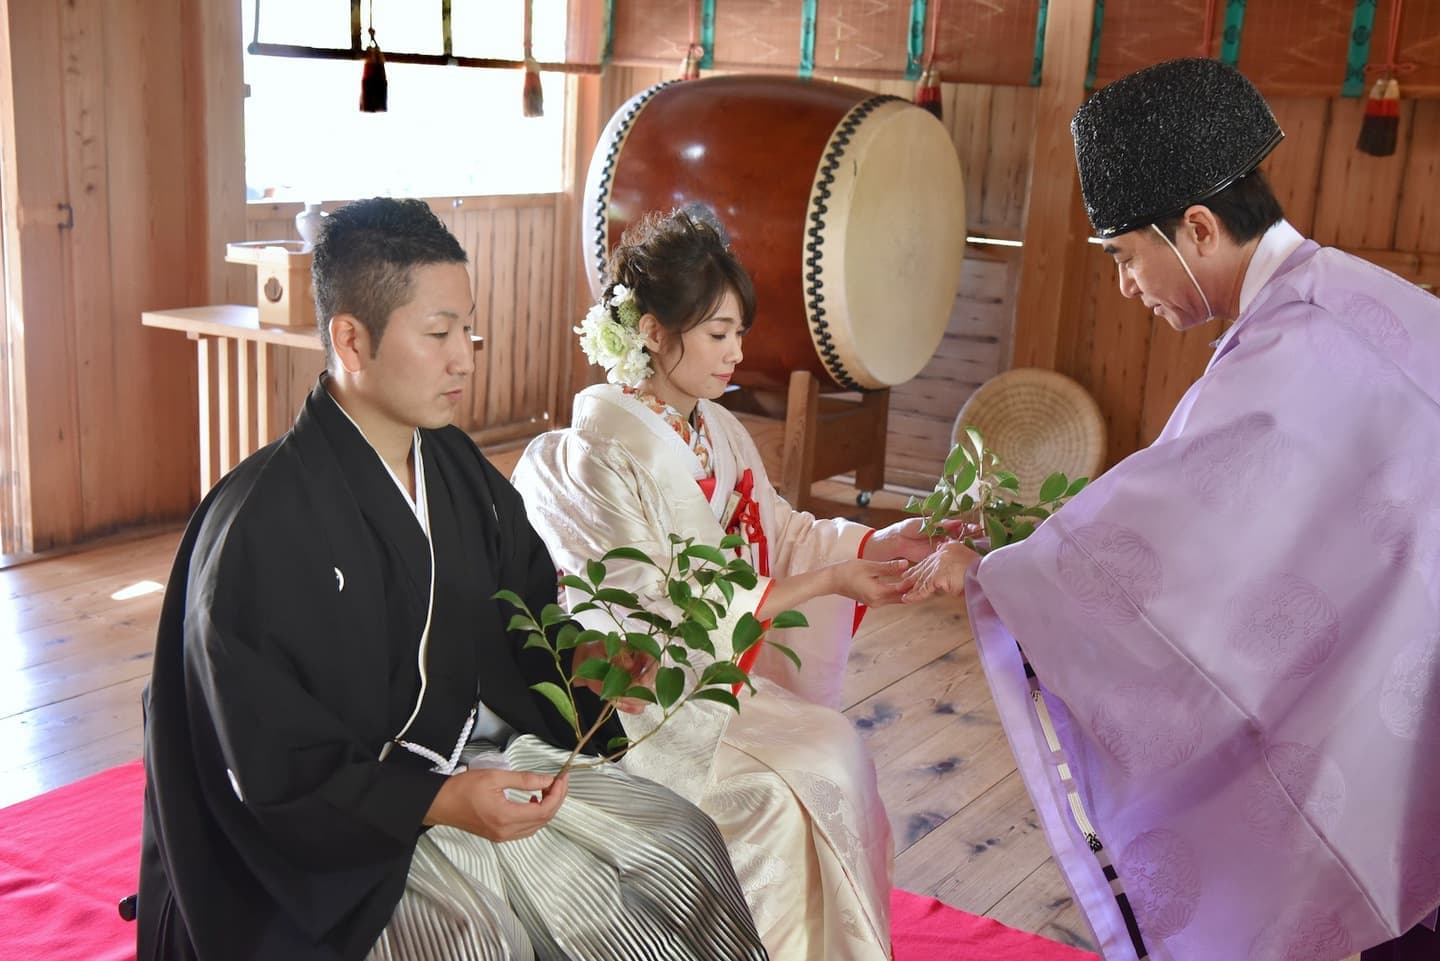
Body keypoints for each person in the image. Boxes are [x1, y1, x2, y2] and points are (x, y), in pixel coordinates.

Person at [901, 58, 1440, 961]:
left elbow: (1176, 539)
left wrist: (994, 575)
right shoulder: (1348, 294)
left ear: (1194, 228)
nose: (1125, 285)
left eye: (1122, 254)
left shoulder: (1290, 350)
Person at [136, 197, 767, 961]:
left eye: (466, 329)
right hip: (331, 845)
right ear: (351, 340)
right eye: (438, 333)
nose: (465, 355)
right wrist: (437, 800)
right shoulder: (261, 527)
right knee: (485, 941)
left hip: (466, 765)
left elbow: (526, 609)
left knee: (681, 842)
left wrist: (589, 664)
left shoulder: (454, 468)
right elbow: (267, 761)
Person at [512, 209, 937, 961]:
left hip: (718, 681)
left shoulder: (718, 429)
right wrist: (830, 579)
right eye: (718, 334)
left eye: (739, 333)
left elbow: (778, 531)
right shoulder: (593, 456)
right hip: (652, 706)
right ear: (650, 331)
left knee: (835, 748)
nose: (738, 353)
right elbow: (646, 615)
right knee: (788, 786)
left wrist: (874, 542)